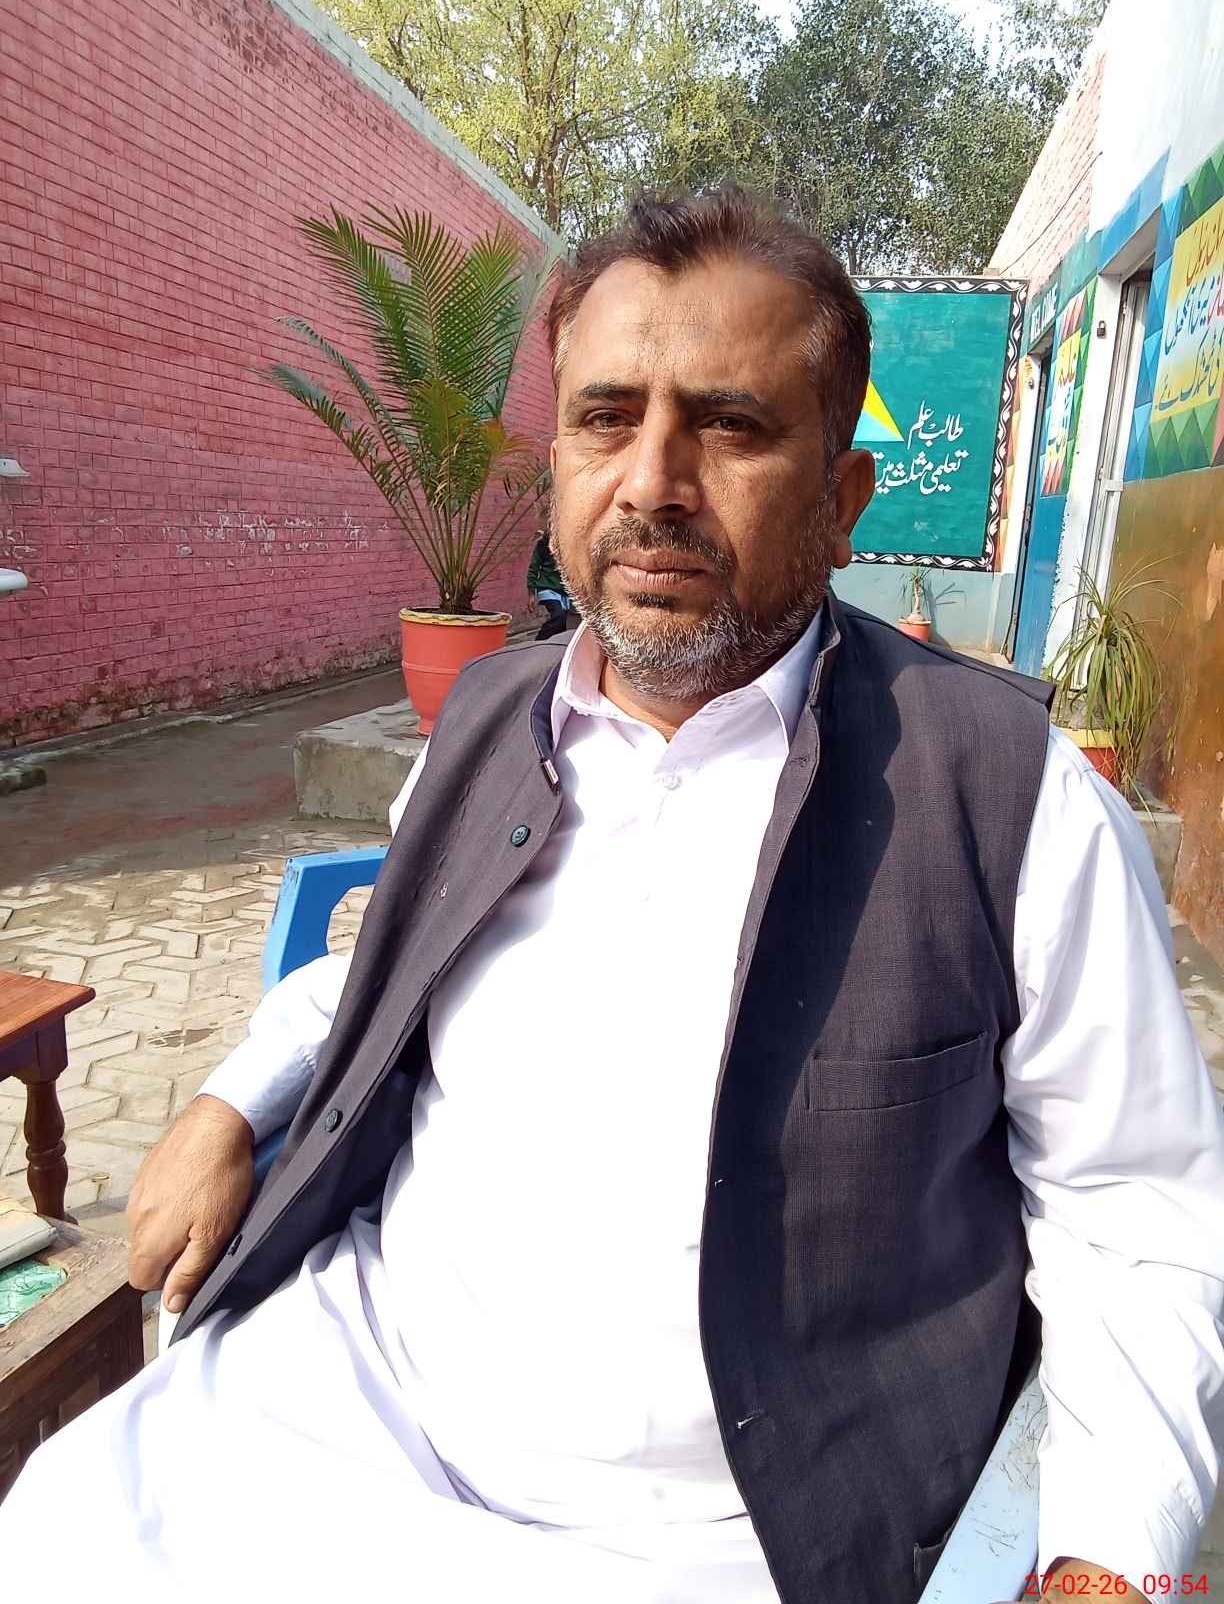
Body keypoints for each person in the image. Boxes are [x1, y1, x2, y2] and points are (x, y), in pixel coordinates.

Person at [3, 186, 1222, 1604]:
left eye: (730, 425)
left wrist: (1106, 1554)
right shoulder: (484, 722)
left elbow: (1140, 1212)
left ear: (841, 500)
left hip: (735, 1533)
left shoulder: (1011, 798)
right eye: (605, 418)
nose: (652, 481)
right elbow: (381, 968)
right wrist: (230, 1104)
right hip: (360, 1407)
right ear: (559, 465)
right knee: (58, 1534)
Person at [527, 527, 573, 639]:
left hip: (564, 590)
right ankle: (539, 641)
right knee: (558, 615)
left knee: (561, 623)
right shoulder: (543, 545)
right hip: (547, 587)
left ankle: (554, 644)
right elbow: (534, 568)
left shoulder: (571, 546)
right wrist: (531, 594)